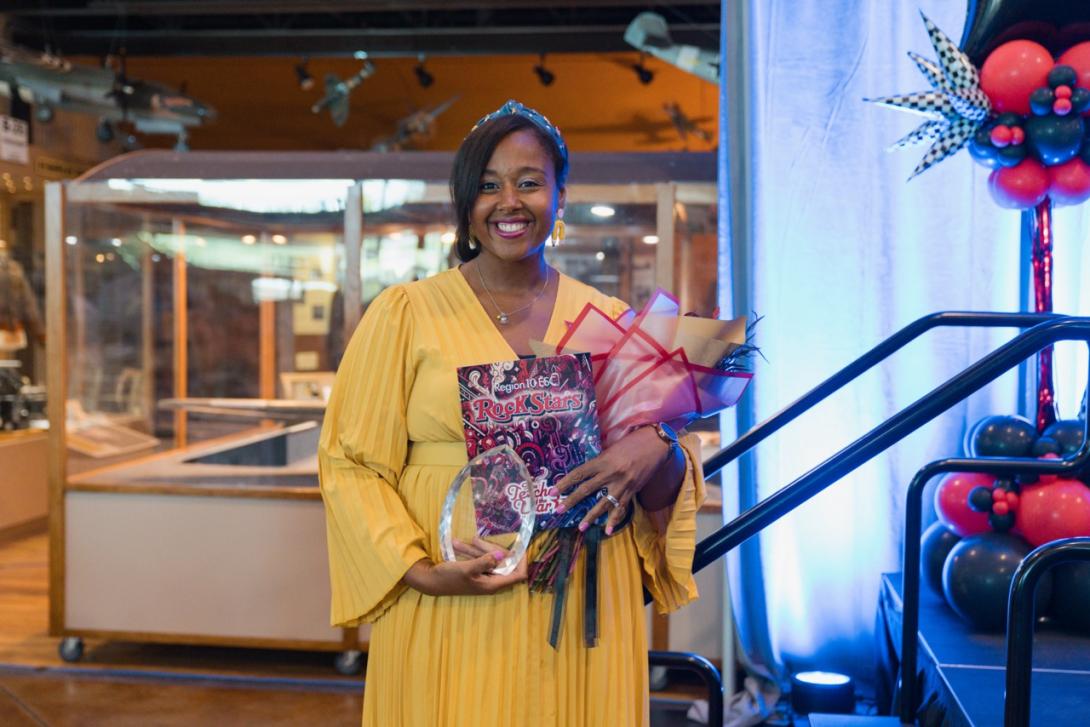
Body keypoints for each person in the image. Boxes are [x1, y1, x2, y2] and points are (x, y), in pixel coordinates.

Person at [318, 100, 706, 727]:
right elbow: (351, 464)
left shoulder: (606, 322)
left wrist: (657, 443)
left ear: (559, 196)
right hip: (451, 592)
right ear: (465, 203)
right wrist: (419, 571)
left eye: (529, 182)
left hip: (579, 593)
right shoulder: (405, 313)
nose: (509, 202)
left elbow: (653, 491)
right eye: (488, 185)